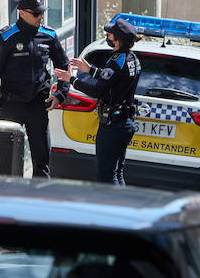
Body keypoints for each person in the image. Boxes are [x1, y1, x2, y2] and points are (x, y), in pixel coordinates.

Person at [0, 0, 70, 178]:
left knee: (42, 160)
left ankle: (38, 200)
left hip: (38, 105)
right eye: (36, 14)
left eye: (41, 13)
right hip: (11, 105)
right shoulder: (6, 37)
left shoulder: (49, 35)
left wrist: (60, 94)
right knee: (7, 159)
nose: (40, 17)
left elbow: (63, 65)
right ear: (21, 13)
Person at [56, 16, 141, 186]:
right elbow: (111, 79)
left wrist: (71, 79)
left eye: (110, 35)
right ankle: (120, 209)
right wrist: (89, 69)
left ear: (117, 40)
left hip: (113, 125)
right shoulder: (133, 59)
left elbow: (97, 90)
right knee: (117, 172)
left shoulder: (117, 60)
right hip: (126, 122)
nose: (107, 37)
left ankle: (109, 210)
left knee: (106, 176)